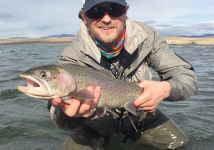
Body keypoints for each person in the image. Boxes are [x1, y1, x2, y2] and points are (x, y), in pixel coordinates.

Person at [48, 0, 198, 149]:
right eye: (96, 11)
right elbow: (58, 114)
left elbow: (187, 78)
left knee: (181, 146)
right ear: (84, 16)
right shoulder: (71, 57)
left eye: (115, 9)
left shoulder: (147, 38)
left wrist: (166, 89)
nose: (106, 19)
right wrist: (69, 114)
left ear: (126, 11)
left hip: (140, 117)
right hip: (94, 125)